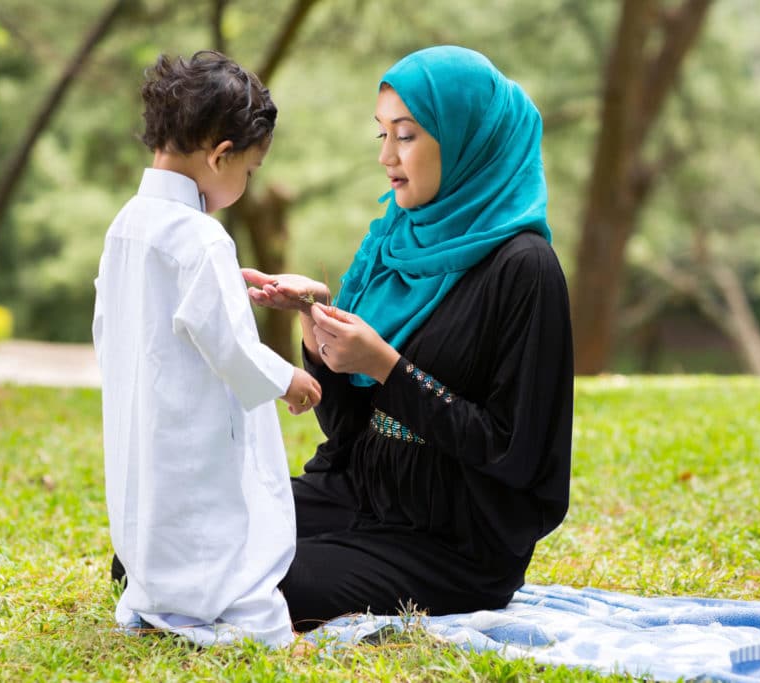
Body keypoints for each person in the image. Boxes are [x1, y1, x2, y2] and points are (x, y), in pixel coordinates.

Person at [244, 45, 574, 631]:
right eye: (382, 135)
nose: (387, 157)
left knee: (242, 580)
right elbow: (351, 429)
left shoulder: (525, 270)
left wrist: (390, 369)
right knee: (170, 547)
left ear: (469, 139)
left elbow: (517, 455)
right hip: (356, 495)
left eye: (408, 135)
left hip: (451, 540)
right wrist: (316, 325)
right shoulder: (393, 245)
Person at [92, 50, 321, 648]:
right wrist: (288, 379)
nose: (247, 184)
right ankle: (212, 603)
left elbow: (116, 316)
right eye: (249, 170)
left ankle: (158, 592)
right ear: (220, 155)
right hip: (192, 422)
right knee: (211, 507)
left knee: (156, 502)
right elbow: (231, 346)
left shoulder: (128, 223)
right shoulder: (199, 237)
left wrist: (222, 280)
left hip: (146, 414)